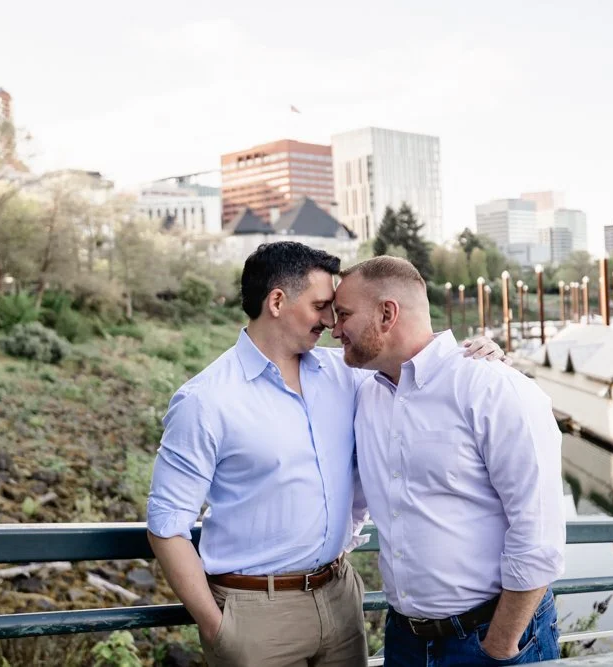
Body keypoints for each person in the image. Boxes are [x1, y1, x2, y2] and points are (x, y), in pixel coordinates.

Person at [147, 242, 504, 667]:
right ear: (277, 301)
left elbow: (413, 372)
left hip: (339, 599)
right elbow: (167, 524)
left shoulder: (346, 375)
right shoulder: (205, 400)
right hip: (254, 614)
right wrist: (218, 628)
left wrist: (477, 357)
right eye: (320, 306)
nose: (330, 321)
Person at [332, 256, 566, 666]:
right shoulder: (363, 391)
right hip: (404, 639)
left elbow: (538, 532)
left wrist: (499, 646)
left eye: (344, 315)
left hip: (489, 638)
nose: (335, 330)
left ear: (387, 313)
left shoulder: (495, 389)